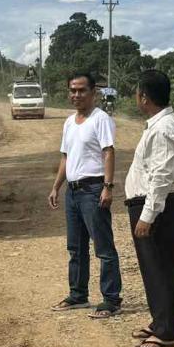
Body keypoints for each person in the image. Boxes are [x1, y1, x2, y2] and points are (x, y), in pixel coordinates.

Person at [48, 71, 122, 318]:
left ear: (93, 93)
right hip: (73, 192)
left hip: (93, 190)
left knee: (103, 248)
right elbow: (66, 157)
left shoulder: (101, 119)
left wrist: (108, 186)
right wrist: (56, 187)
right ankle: (78, 295)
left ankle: (111, 300)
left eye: (81, 90)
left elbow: (108, 152)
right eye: (73, 90)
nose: (76, 95)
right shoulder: (69, 122)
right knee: (75, 247)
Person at [124, 70, 174, 347]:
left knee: (162, 269)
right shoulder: (160, 124)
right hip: (155, 204)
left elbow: (162, 176)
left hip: (159, 207)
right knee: (153, 268)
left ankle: (166, 332)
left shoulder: (163, 129)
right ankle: (159, 321)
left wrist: (147, 215)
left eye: (137, 92)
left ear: (144, 97)